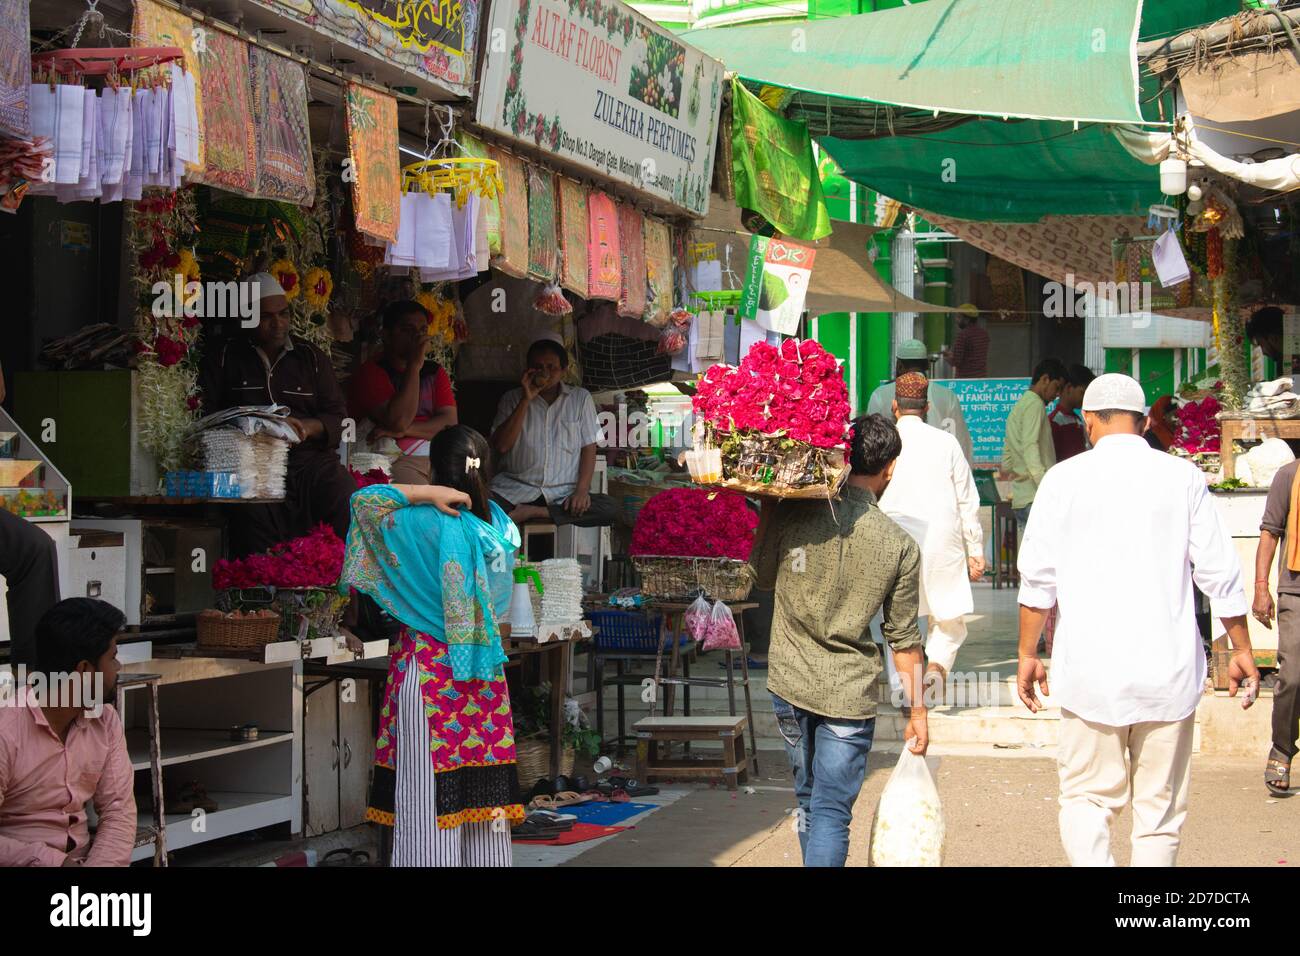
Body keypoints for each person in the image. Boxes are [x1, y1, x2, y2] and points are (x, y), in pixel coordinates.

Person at [1017, 373, 1259, 866]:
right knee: (1159, 814)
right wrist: (1241, 648)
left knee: (1086, 799)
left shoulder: (1062, 480)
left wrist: (1027, 654)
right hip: (1166, 675)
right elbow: (1219, 571)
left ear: (1087, 421)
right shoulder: (1183, 476)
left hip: (1089, 676)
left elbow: (1037, 580)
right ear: (1146, 420)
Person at [341, 426, 524, 866]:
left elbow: (362, 503)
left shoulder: (418, 520)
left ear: (435, 470)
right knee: (485, 803)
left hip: (430, 673)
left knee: (427, 803)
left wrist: (423, 494)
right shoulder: (501, 527)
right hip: (484, 673)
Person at [753, 413, 927, 868]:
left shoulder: (795, 512)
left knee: (810, 802)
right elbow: (904, 640)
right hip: (849, 694)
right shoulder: (900, 545)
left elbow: (764, 578)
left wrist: (769, 507)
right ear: (890, 468)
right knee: (830, 811)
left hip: (789, 682)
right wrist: (918, 711)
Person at [197, 272, 356, 557]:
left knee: (342, 490)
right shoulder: (224, 357)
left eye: (283, 314)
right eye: (266, 316)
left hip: (308, 462)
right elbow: (207, 416)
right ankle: (263, 592)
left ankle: (336, 582)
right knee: (251, 516)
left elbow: (339, 419)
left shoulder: (312, 358)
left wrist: (307, 427)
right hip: (252, 464)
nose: (278, 324)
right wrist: (249, 427)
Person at [0, 598, 135, 867]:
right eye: (113, 657)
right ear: (84, 670)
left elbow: (118, 811)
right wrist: (54, 863)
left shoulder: (105, 720)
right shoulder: (7, 730)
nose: (118, 668)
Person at [879, 373, 984, 694]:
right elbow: (967, 497)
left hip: (893, 538)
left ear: (895, 405)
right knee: (948, 617)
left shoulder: (883, 442)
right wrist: (976, 549)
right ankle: (937, 664)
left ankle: (902, 685)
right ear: (926, 407)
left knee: (896, 618)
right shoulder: (946, 442)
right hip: (942, 540)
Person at [489, 336, 620, 528]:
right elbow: (501, 446)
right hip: (515, 489)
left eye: (551, 367)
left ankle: (537, 512)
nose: (544, 373)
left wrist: (582, 491)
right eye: (538, 366)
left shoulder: (580, 399)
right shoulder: (512, 399)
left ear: (564, 371)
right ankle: (543, 514)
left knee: (610, 508)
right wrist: (526, 400)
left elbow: (589, 447)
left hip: (561, 495)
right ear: (527, 369)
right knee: (480, 507)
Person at [348, 300, 458, 485]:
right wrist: (414, 366)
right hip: (389, 459)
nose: (417, 337)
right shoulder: (371, 372)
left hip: (433, 454)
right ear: (386, 335)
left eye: (422, 330)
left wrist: (406, 430)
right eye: (407, 330)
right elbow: (397, 420)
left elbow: (449, 423)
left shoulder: (434, 372)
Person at [1251, 458, 1300, 796]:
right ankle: (1282, 749)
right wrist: (1260, 586)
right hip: (1295, 590)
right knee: (1293, 675)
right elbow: (1270, 531)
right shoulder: (1289, 475)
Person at [867, 338, 973, 464]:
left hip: (892, 474)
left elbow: (870, 442)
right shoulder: (948, 397)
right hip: (936, 470)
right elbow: (961, 444)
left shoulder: (880, 395)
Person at [1001, 358, 1067, 532]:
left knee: (1027, 556)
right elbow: (1031, 448)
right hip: (1036, 498)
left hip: (1021, 498)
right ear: (1045, 379)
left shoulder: (1019, 406)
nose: (1057, 394)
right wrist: (1047, 488)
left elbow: (1007, 462)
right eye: (1056, 387)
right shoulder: (1035, 404)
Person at [1049, 364, 1095, 462]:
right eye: (1082, 393)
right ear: (1069, 388)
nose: (1084, 398)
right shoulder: (1053, 422)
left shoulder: (1077, 419)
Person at [943, 306, 989, 379]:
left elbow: (956, 361)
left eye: (959, 317)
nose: (956, 320)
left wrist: (946, 357)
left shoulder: (963, 335)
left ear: (967, 319)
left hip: (965, 379)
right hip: (981, 377)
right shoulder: (984, 333)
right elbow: (973, 355)